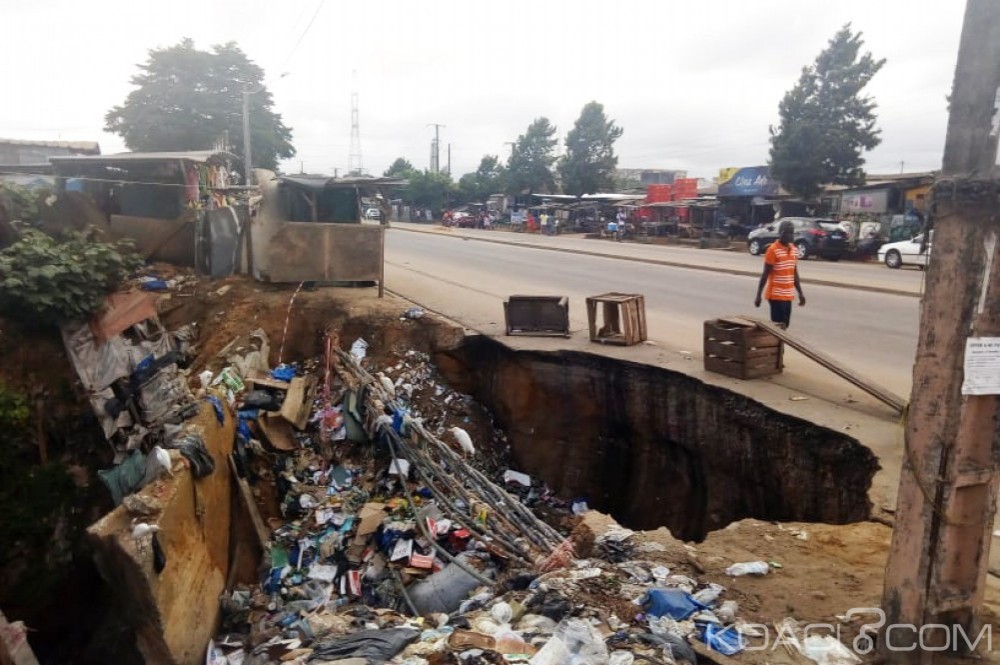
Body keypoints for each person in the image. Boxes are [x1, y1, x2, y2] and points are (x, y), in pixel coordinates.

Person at [754, 220, 805, 328]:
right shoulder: (773, 250)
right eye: (788, 233)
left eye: (792, 233)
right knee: (778, 327)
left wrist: (800, 293)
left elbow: (794, 273)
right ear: (781, 233)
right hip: (776, 295)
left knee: (785, 326)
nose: (791, 236)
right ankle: (775, 344)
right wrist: (758, 295)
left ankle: (778, 344)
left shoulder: (794, 250)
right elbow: (765, 274)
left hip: (788, 295)